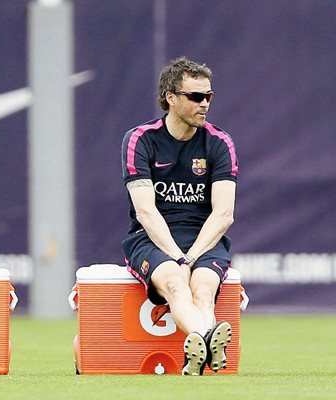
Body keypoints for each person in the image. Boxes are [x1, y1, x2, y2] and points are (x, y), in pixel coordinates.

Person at [120, 56, 238, 375]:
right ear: (171, 98)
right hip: (152, 238)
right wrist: (176, 257)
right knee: (175, 284)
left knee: (202, 288)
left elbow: (224, 214)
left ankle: (199, 352)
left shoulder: (219, 142)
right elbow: (146, 211)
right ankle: (207, 339)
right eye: (196, 97)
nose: (205, 104)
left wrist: (192, 256)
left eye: (209, 96)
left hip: (204, 238)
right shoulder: (140, 140)